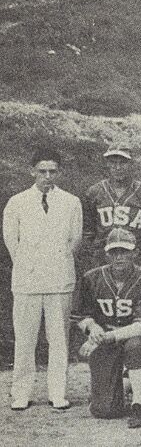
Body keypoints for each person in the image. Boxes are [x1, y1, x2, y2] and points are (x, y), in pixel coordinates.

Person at [3, 146, 82, 411]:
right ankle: (21, 393)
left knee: (59, 339)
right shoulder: (17, 202)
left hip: (59, 280)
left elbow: (74, 240)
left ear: (59, 172)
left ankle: (57, 393)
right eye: (42, 171)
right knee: (25, 339)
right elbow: (11, 241)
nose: (47, 176)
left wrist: (55, 263)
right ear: (32, 171)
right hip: (28, 281)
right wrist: (29, 265)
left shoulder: (71, 202)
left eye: (53, 171)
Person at [71, 229, 141, 428]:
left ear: (135, 253)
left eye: (125, 251)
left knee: (136, 346)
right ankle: (126, 384)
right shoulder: (91, 277)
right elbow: (81, 315)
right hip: (104, 337)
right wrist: (92, 328)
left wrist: (107, 336)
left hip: (132, 336)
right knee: (104, 410)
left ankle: (139, 404)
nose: (119, 257)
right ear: (106, 254)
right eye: (114, 252)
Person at [81, 141, 141, 269]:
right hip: (102, 258)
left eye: (123, 163)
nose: (118, 167)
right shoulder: (94, 192)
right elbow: (88, 232)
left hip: (135, 259)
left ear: (131, 164)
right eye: (113, 163)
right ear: (107, 164)